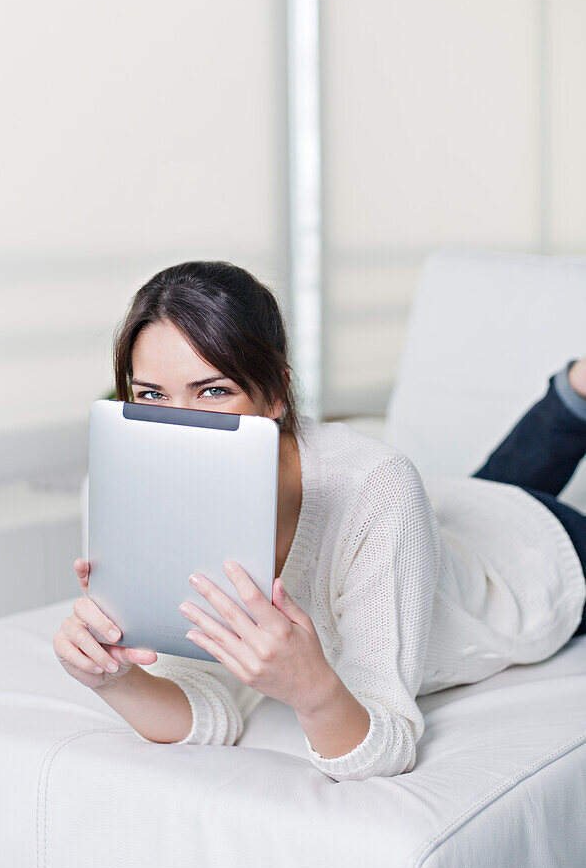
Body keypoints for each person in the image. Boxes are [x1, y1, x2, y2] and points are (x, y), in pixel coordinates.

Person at [53, 260, 586, 781]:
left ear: (277, 394)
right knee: (484, 487)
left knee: (494, 503)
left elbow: (385, 746)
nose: (178, 426)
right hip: (447, 513)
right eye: (150, 395)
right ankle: (575, 394)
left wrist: (310, 688)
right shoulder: (148, 494)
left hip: (532, 558)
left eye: (213, 390)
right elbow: (207, 708)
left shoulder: (377, 484)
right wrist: (113, 680)